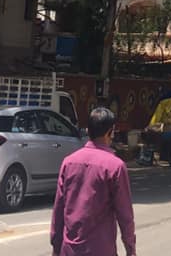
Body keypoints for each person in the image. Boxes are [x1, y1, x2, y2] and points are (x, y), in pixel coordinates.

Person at [51, 106, 136, 256]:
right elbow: (125, 215)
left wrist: (56, 247)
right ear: (110, 132)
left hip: (70, 250)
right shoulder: (115, 166)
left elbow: (59, 210)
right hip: (100, 250)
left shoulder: (68, 163)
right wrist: (131, 250)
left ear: (88, 131)